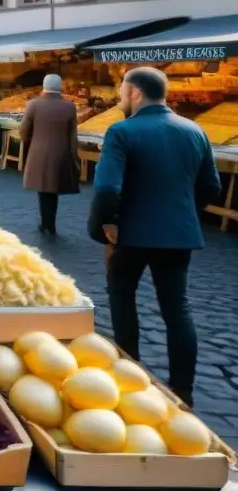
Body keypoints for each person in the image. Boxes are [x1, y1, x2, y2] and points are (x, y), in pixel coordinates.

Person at [88, 67, 221, 407]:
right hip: (179, 233)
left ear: (135, 93)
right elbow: (211, 188)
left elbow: (106, 189)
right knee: (177, 308)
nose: (119, 97)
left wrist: (101, 224)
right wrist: (181, 212)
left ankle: (131, 371)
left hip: (132, 232)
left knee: (121, 296)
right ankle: (183, 390)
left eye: (122, 91)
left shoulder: (121, 131)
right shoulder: (195, 130)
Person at [20, 74, 80, 236]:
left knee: (43, 189)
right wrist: (74, 156)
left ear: (44, 86)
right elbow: (73, 135)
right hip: (61, 151)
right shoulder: (70, 107)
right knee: (53, 189)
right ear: (60, 87)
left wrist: (28, 142)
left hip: (39, 150)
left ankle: (46, 223)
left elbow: (24, 130)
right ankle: (50, 223)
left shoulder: (33, 104)